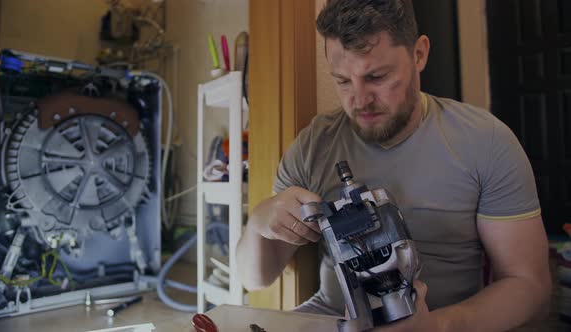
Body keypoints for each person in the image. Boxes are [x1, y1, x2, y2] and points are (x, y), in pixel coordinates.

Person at [236, 0, 552, 331]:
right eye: (343, 81)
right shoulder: (314, 145)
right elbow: (254, 279)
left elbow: (530, 286)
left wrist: (438, 326)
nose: (358, 101)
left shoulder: (485, 142)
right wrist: (260, 220)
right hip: (333, 319)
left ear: (419, 54)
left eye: (376, 76)